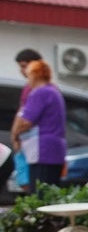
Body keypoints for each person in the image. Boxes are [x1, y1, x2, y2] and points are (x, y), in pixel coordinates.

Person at [10, 59, 66, 193]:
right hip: (54, 150)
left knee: (40, 192)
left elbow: (25, 121)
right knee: (50, 191)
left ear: (35, 75)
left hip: (43, 151)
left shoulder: (40, 92)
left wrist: (15, 134)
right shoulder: (53, 91)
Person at [10, 49, 45, 192]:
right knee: (23, 179)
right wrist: (15, 135)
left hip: (36, 141)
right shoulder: (27, 88)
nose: (22, 71)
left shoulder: (43, 89)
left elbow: (28, 118)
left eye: (24, 66)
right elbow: (21, 112)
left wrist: (17, 132)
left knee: (35, 182)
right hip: (24, 139)